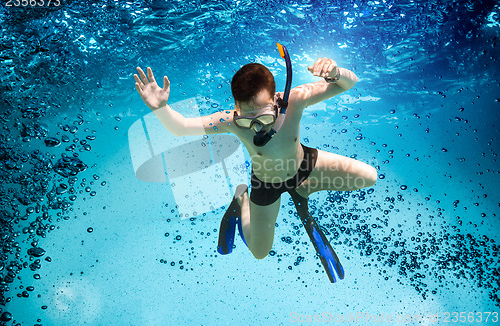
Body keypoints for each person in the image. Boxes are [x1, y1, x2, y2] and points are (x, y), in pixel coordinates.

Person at [133, 48, 377, 282]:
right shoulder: (229, 121)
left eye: (264, 117)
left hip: (304, 165)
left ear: (275, 99)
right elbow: (181, 127)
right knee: (259, 252)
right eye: (247, 119)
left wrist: (335, 73)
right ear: (236, 108)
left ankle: (304, 187)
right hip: (265, 184)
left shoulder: (295, 100)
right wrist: (161, 109)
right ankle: (242, 199)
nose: (258, 127)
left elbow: (348, 84)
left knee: (369, 177)